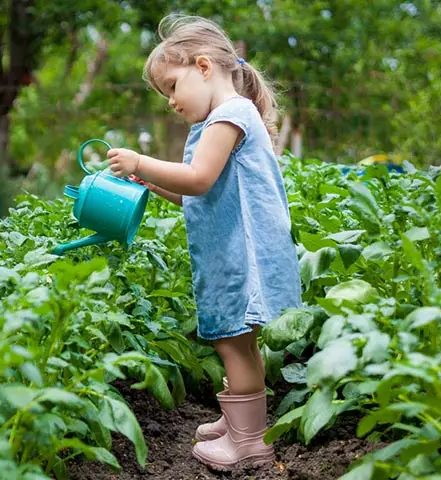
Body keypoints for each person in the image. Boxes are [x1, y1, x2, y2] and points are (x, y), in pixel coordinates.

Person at [107, 14, 302, 471]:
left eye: (172, 87)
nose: (171, 102)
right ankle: (237, 420)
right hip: (232, 252)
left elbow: (197, 178)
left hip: (243, 256)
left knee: (235, 342)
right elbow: (195, 193)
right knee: (236, 341)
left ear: (202, 66)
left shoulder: (229, 116)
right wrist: (148, 179)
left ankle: (249, 441)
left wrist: (141, 158)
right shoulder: (224, 118)